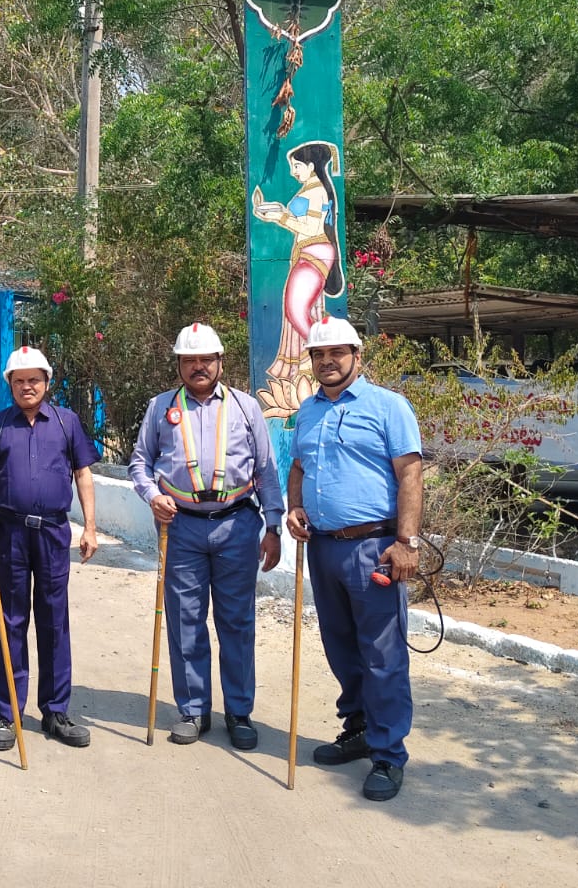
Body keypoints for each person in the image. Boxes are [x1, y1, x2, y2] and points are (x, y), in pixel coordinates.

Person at [285, 316, 424, 802]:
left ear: (357, 357)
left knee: (383, 655)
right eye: (318, 354)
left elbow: (410, 475)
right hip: (324, 547)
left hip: (375, 549)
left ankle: (388, 755)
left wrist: (407, 542)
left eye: (337, 353)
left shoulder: (389, 406)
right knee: (341, 647)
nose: (327, 361)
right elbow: (298, 467)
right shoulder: (307, 411)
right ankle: (359, 729)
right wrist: (294, 508)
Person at [129, 322, 283, 749]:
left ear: (220, 362)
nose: (198, 366)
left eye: (205, 359)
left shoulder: (246, 407)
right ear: (179, 365)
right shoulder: (160, 407)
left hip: (237, 524)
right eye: (189, 360)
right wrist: (152, 496)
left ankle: (239, 711)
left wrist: (273, 526)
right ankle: (194, 709)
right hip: (180, 527)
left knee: (237, 621)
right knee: (185, 620)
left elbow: (266, 471)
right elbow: (140, 463)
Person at [0, 345, 99, 751]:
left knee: (54, 621)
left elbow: (83, 474)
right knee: (11, 621)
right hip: (10, 533)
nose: (26, 387)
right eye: (19, 381)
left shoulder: (67, 422)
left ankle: (55, 711)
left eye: (34, 380)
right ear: (10, 385)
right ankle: (10, 715)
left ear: (47, 382)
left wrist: (90, 528)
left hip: (53, 533)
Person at [251, 141, 345, 418]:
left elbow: (312, 226)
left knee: (295, 309)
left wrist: (280, 216)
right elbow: (298, 220)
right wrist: (276, 213)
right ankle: (311, 358)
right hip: (307, 251)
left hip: (314, 250)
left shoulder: (317, 191)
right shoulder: (308, 189)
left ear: (311, 165)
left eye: (296, 166)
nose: (293, 172)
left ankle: (321, 351)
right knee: (297, 310)